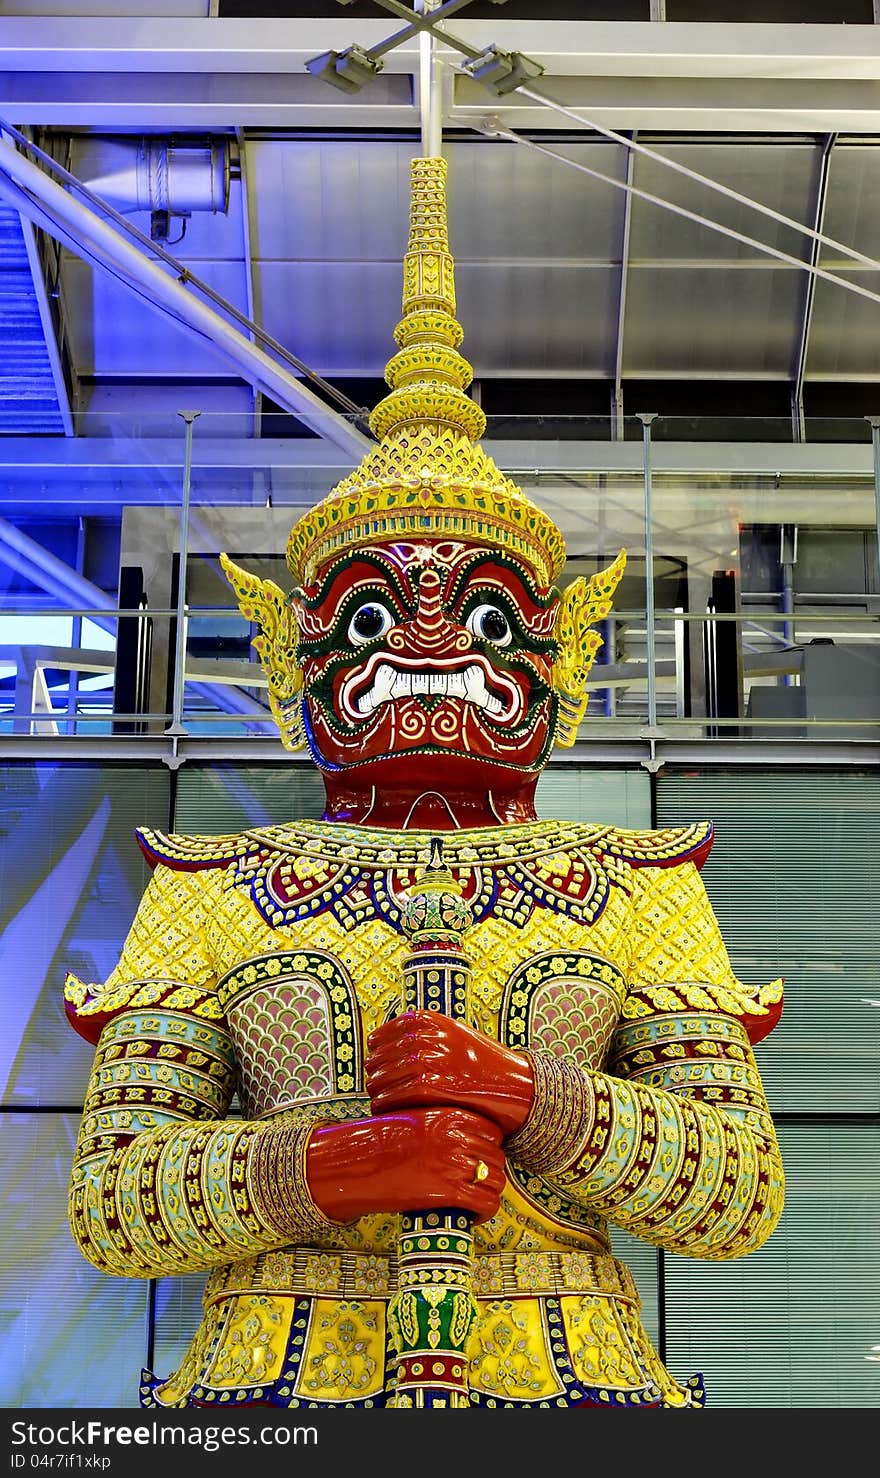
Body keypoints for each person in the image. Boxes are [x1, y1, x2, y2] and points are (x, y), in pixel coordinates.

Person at [64, 156, 784, 1410]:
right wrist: (335, 1164)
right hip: (272, 1383)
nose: (433, 651)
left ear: (560, 660)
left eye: (490, 621)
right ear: (294, 659)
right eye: (375, 618)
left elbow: (733, 1187)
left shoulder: (632, 885)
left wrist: (527, 1095)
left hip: (571, 1375)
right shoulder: (215, 885)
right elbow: (115, 1198)